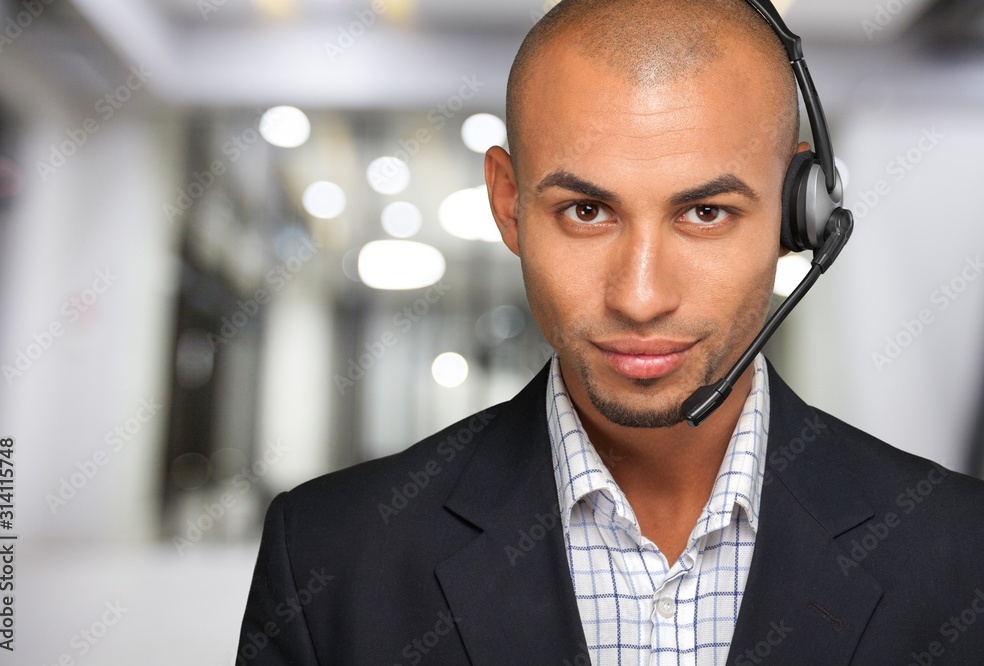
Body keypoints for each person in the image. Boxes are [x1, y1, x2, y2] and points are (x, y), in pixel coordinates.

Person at [237, 1, 984, 663]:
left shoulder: (961, 553)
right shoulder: (329, 556)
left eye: (705, 213)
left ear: (799, 213)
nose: (640, 295)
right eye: (586, 212)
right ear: (507, 204)